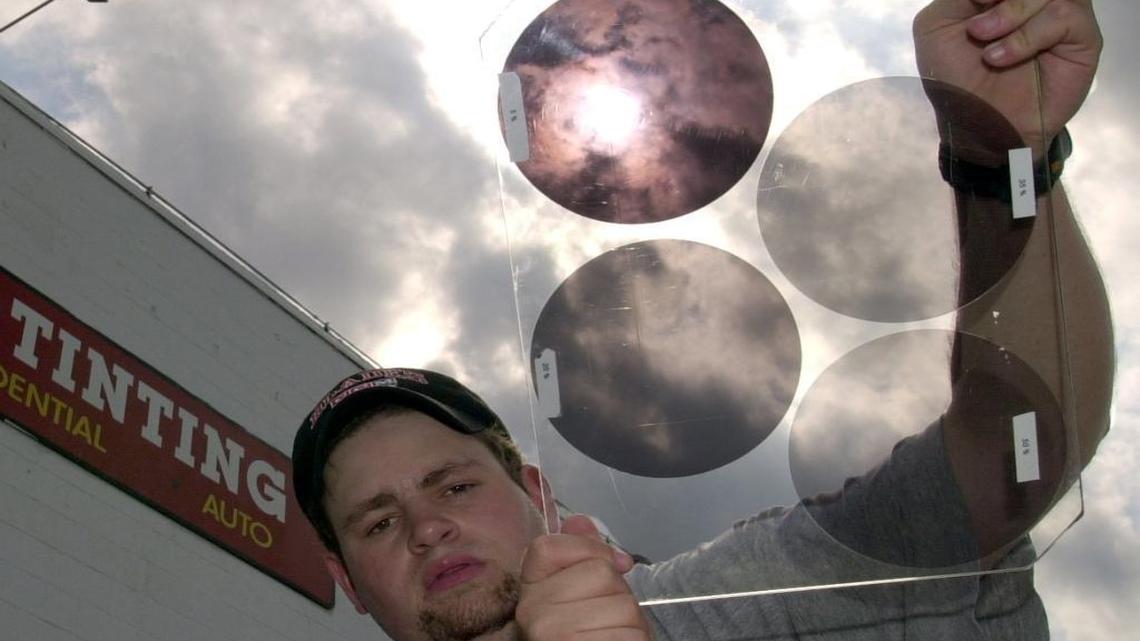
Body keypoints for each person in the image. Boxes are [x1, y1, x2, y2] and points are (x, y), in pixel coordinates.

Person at [290, 1, 1113, 639]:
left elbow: (1010, 455)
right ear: (349, 579)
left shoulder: (733, 598)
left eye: (456, 485)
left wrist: (997, 146)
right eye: (379, 520)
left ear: (536, 492)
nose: (429, 527)